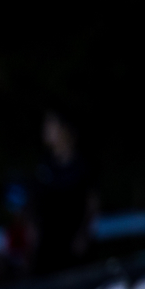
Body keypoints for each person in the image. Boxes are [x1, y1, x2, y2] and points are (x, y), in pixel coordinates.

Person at [31, 110, 97, 277]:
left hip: (72, 243)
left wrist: (83, 233)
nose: (45, 130)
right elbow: (36, 202)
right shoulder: (43, 164)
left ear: (64, 129)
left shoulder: (82, 164)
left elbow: (92, 202)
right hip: (47, 245)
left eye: (51, 125)